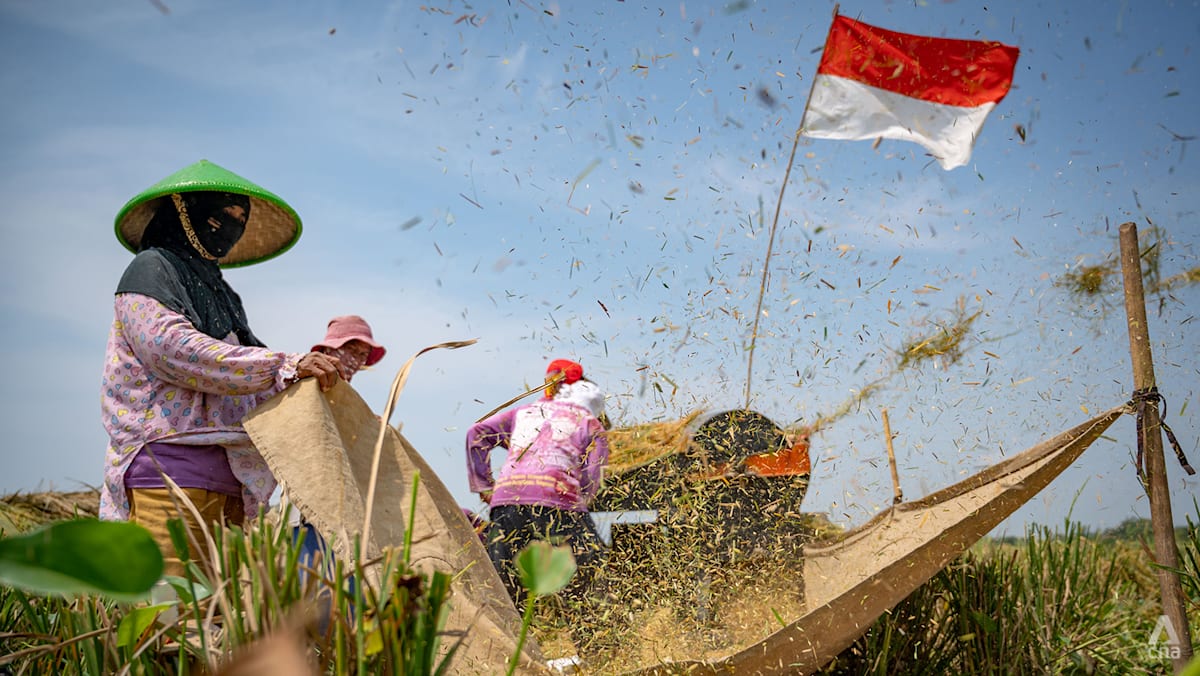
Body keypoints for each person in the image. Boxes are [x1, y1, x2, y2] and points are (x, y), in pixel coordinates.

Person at [100, 159, 341, 577]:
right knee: (170, 617)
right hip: (169, 470)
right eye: (220, 215)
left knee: (219, 621)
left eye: (240, 220)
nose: (230, 227)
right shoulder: (151, 269)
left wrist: (313, 388)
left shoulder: (223, 293)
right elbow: (173, 350)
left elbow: (251, 377)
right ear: (183, 211)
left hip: (231, 476)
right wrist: (283, 364)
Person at [465, 358, 610, 606]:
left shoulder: (524, 412)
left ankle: (508, 640)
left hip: (508, 501)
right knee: (591, 580)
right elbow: (592, 474)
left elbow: (476, 432)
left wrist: (485, 486)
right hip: (558, 501)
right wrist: (583, 499)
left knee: (507, 589)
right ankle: (594, 641)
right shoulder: (589, 422)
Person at [288, 315, 386, 571]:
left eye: (363, 354)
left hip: (347, 516)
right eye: (351, 350)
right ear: (329, 349)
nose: (357, 360)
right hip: (309, 511)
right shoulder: (307, 388)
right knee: (314, 593)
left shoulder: (352, 404)